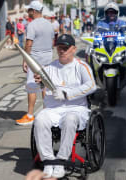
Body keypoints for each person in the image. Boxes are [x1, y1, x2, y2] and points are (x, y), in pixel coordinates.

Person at [33, 34, 96, 178]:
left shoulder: (81, 66)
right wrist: (39, 81)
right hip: (53, 109)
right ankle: (48, 160)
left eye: (65, 48)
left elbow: (91, 86)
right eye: (59, 48)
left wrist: (68, 94)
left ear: (74, 49)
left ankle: (61, 161)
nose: (62, 51)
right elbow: (37, 84)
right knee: (40, 119)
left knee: (70, 119)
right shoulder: (49, 68)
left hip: (76, 108)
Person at [16, 0, 54, 126]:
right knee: (45, 86)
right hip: (48, 58)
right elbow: (53, 41)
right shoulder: (49, 24)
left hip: (35, 59)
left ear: (34, 11)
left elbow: (28, 44)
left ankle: (30, 115)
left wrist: (25, 60)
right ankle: (46, 113)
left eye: (29, 10)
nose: (28, 12)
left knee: (32, 87)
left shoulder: (32, 25)